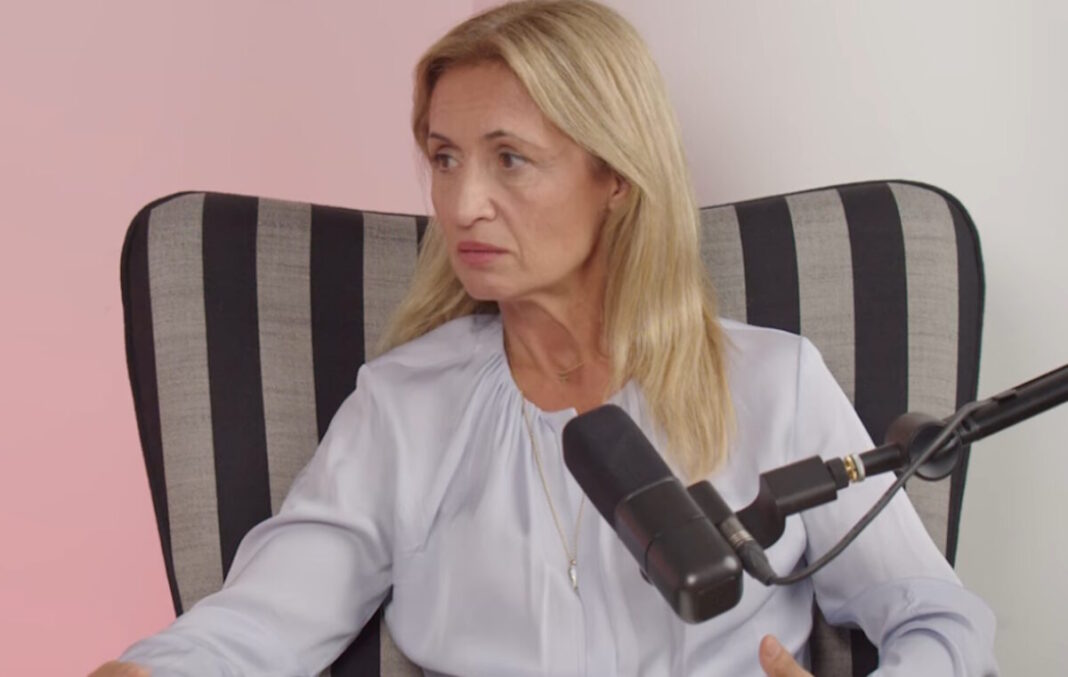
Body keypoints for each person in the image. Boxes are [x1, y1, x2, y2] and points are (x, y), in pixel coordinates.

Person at [92, 1, 997, 675]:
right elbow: (259, 623)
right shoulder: (405, 405)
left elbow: (940, 619)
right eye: (444, 157)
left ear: (616, 175)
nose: (461, 204)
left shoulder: (775, 384)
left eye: (510, 158)